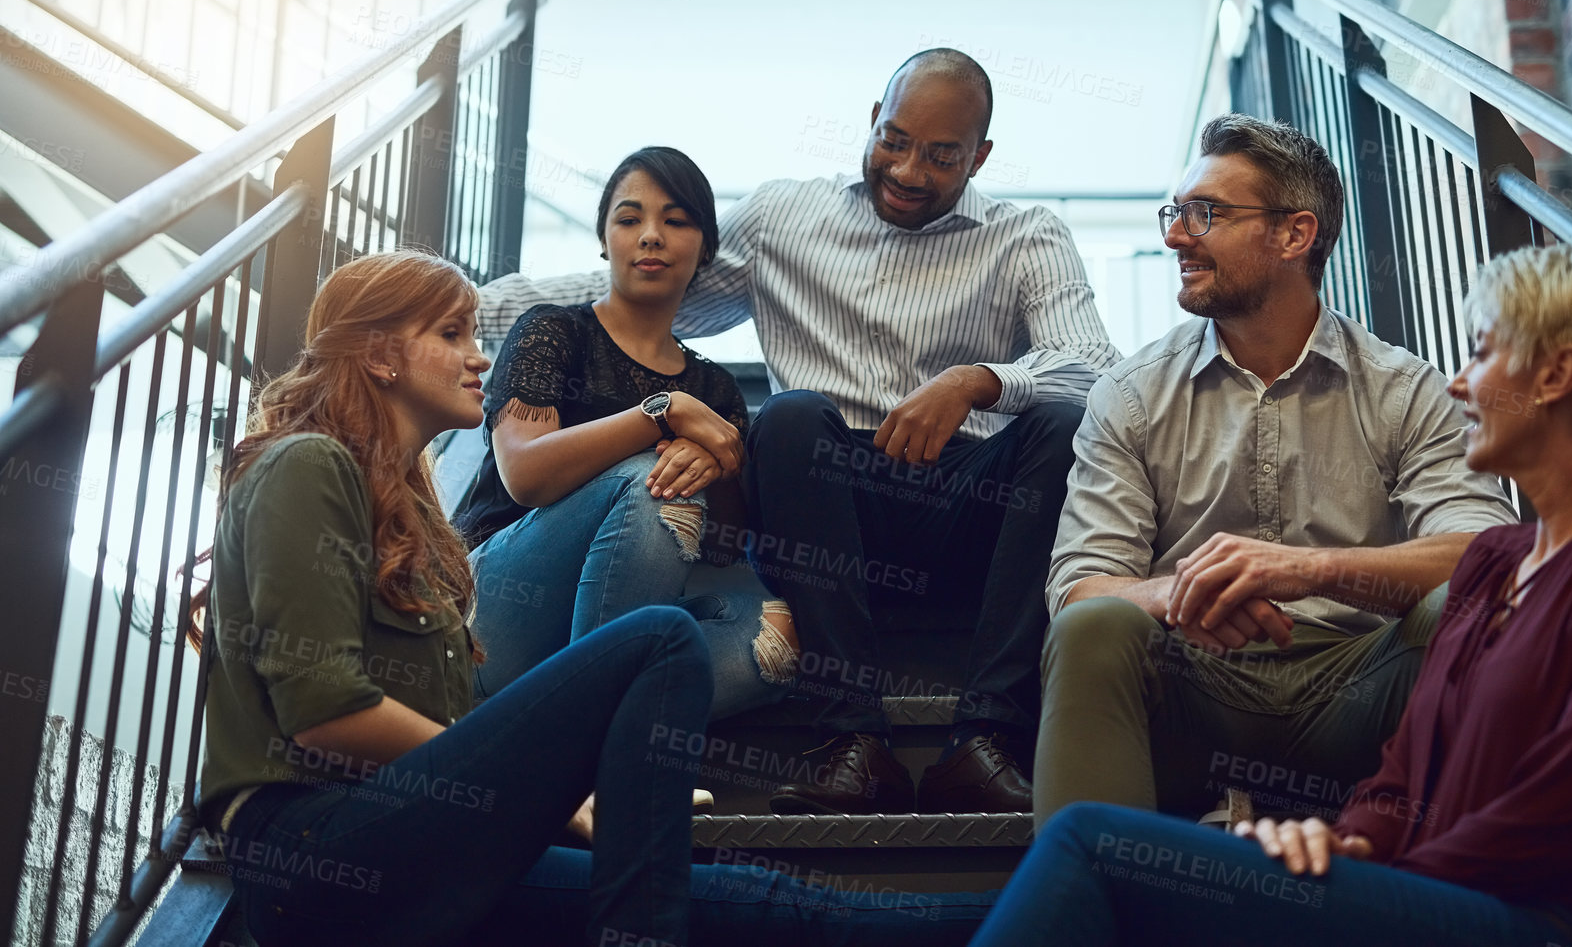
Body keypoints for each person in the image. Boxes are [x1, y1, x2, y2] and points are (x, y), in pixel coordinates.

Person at [195, 249, 997, 947]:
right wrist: (548, 785)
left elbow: (453, 731)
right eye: (450, 336)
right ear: (377, 356)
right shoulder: (305, 465)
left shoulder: (409, 517)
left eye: (474, 334)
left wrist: (563, 806)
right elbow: (325, 712)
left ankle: (1065, 914)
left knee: (766, 907)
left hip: (414, 846)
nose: (478, 358)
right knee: (658, 642)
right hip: (316, 843)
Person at [972, 244, 1572, 947]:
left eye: (1483, 354)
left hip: (1562, 922)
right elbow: (1402, 778)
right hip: (1436, 896)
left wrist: (1365, 883)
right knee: (1116, 866)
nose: (1460, 383)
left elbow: (1571, 806)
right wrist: (1342, 841)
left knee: (1091, 850)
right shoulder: (1496, 562)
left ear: (1558, 375)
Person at [480, 49, 1119, 815]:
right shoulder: (786, 216)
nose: (910, 170)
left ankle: (987, 740)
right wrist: (468, 306)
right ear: (872, 124)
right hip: (827, 498)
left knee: (1061, 419)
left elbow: (1092, 364)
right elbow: (646, 287)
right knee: (785, 417)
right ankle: (852, 740)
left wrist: (979, 380)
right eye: (895, 140)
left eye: (942, 156)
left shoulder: (1027, 236)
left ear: (979, 157)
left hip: (968, 500)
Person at [1034, 114, 1515, 830]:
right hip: (1193, 687)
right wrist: (1185, 592)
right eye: (1174, 212)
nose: (1174, 236)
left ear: (1295, 234)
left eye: (1205, 214)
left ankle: (1483, 906)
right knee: (1094, 627)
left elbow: (1488, 557)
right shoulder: (1131, 394)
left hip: (1359, 688)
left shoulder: (1403, 389)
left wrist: (1303, 570)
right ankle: (1097, 908)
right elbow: (1080, 587)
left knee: (1471, 608)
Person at [455, 147, 798, 719]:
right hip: (495, 614)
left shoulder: (715, 391)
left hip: (614, 618)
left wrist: (720, 462)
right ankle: (598, 745)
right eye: (629, 218)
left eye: (677, 221)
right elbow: (524, 474)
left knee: (781, 636)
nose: (651, 236)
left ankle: (563, 726)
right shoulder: (552, 330)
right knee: (652, 478)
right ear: (604, 238)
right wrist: (660, 414)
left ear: (706, 247)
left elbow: (720, 546)